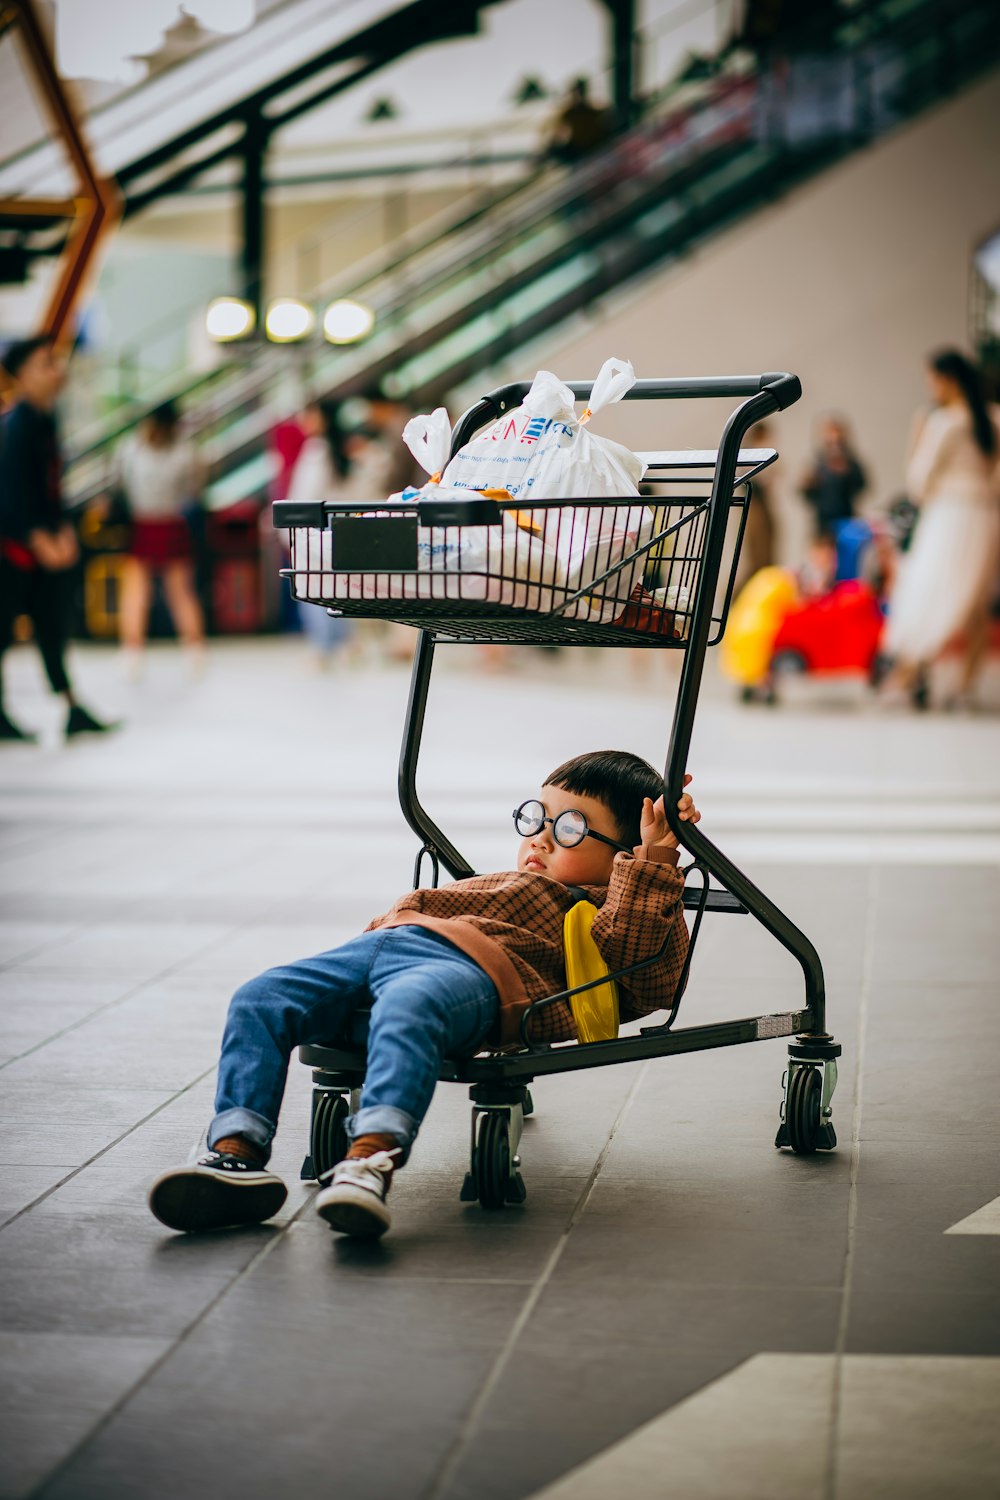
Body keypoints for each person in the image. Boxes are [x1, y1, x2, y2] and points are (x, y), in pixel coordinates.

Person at [147, 750, 699, 1239]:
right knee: (260, 997)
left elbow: (641, 973)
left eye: (572, 828)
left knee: (409, 1007)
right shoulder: (497, 881)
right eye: (538, 817)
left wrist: (653, 861)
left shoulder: (610, 907)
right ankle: (235, 1154)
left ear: (621, 854)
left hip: (478, 966)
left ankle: (368, 1160)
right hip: (390, 940)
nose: (541, 837)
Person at [0, 335, 115, 742]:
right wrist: (38, 538)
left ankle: (71, 707)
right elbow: (10, 492)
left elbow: (48, 489)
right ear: (23, 374)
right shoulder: (17, 425)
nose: (57, 370)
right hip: (15, 550)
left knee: (52, 628)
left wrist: (62, 528)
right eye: (47, 363)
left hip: (40, 546)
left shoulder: (44, 420)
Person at [881, 349, 1000, 710]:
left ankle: (908, 676)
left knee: (928, 591)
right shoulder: (994, 418)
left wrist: (917, 435)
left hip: (947, 515)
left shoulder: (942, 422)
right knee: (975, 601)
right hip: (985, 515)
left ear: (948, 380)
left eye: (932, 379)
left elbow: (919, 480)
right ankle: (965, 685)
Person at [113, 400, 206, 677]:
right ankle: (192, 650)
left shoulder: (131, 450)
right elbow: (194, 489)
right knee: (172, 591)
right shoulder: (186, 453)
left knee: (144, 591)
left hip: (146, 523)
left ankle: (135, 652)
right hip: (168, 522)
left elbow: (121, 485)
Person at [799, 415, 866, 538]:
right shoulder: (817, 462)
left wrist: (846, 472)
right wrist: (809, 484)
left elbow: (861, 485)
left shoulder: (850, 461)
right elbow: (806, 494)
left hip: (846, 518)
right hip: (822, 522)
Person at [545, 78, 611, 165]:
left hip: (589, 148)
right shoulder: (571, 112)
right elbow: (557, 133)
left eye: (578, 92)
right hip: (579, 148)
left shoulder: (591, 111)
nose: (576, 95)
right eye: (575, 92)